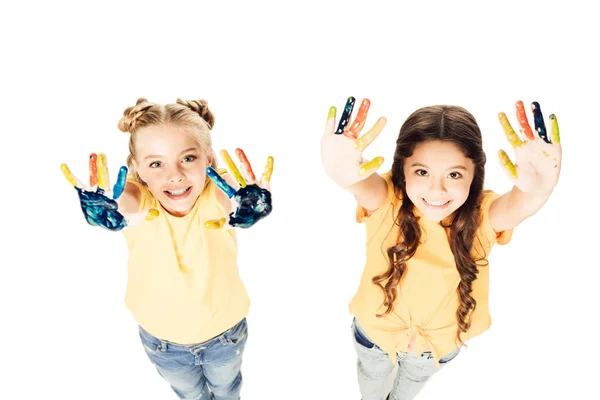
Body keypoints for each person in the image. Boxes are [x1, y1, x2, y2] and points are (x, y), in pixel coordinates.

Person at [321, 97, 561, 400]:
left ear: (475, 174)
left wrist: (538, 190)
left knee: (405, 391)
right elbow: (361, 185)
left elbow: (518, 205)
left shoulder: (482, 214)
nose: (437, 190)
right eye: (422, 172)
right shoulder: (387, 200)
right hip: (374, 338)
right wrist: (342, 174)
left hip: (433, 351)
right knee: (372, 382)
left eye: (454, 174)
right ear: (403, 169)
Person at [60, 97, 274, 400]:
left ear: (208, 159)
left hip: (225, 334)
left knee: (227, 389)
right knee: (190, 394)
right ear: (137, 169)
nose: (174, 175)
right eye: (156, 164)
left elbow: (230, 198)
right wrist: (110, 205)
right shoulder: (141, 199)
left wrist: (245, 204)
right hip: (162, 342)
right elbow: (127, 201)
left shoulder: (216, 192)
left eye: (188, 158)